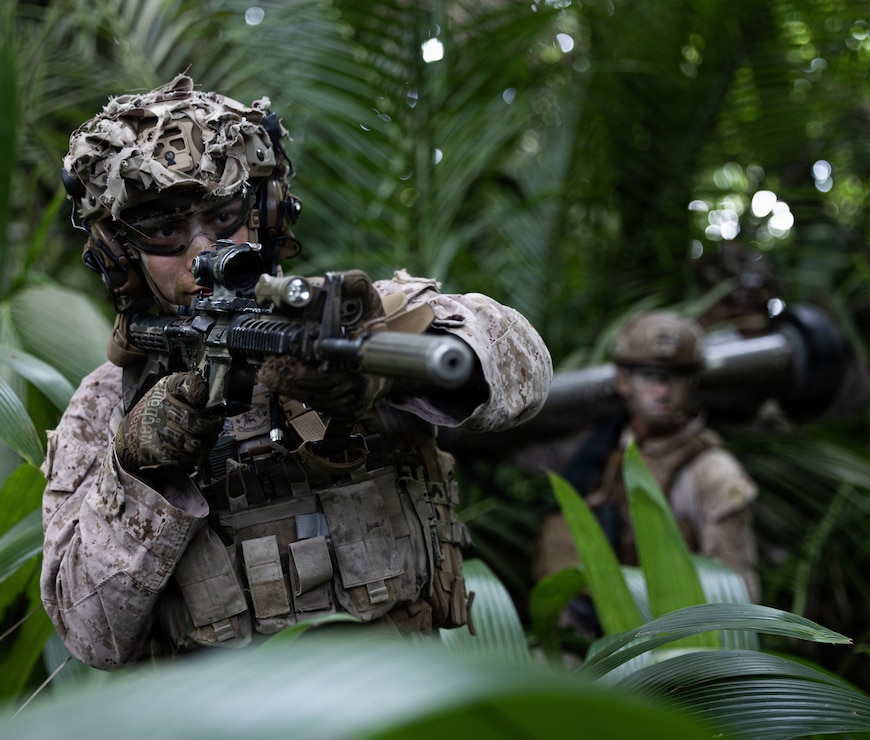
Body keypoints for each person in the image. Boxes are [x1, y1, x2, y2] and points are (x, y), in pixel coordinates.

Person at [40, 74, 553, 670]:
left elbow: (523, 366)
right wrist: (137, 471)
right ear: (120, 252)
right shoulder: (108, 400)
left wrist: (387, 363)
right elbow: (89, 633)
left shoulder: (347, 320)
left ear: (265, 213)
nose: (203, 253)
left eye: (225, 216)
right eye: (164, 232)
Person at [532, 310, 760, 605]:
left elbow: (737, 593)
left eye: (673, 378)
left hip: (675, 635)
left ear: (691, 384)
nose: (661, 390)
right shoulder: (598, 448)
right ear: (623, 381)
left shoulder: (714, 473)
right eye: (648, 376)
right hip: (592, 630)